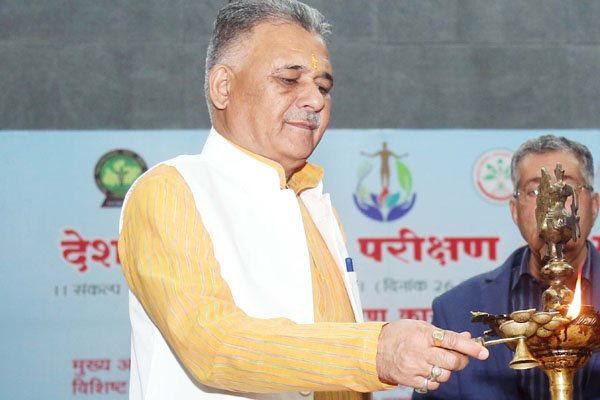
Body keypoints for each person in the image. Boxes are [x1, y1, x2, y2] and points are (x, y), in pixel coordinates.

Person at [118, 1, 488, 399]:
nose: (315, 100)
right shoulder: (172, 189)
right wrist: (378, 351)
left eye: (323, 87)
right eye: (289, 80)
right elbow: (213, 345)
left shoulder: (313, 203)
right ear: (223, 86)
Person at [413, 134, 600, 400]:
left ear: (594, 205)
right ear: (514, 210)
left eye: (564, 189)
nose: (552, 204)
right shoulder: (456, 310)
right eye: (535, 192)